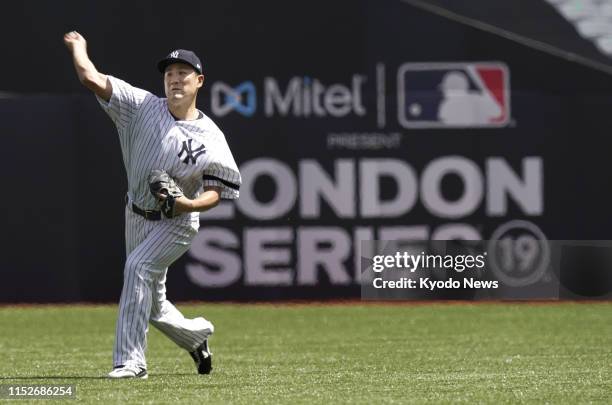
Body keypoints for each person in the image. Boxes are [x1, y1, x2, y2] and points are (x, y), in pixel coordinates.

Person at [63, 30, 241, 379]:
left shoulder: (212, 138)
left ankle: (131, 363)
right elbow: (90, 77)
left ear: (199, 81)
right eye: (169, 73)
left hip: (176, 222)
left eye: (183, 73)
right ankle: (195, 338)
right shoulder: (140, 106)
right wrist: (79, 47)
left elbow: (218, 190)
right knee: (152, 302)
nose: (174, 79)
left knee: (138, 269)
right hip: (136, 214)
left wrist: (187, 204)